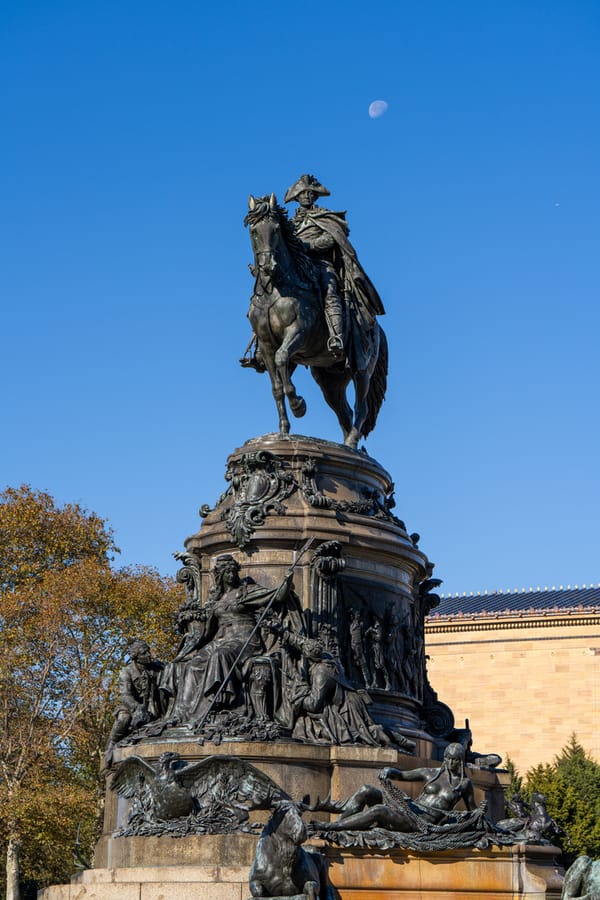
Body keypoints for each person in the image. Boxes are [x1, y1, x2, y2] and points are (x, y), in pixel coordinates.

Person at [161, 555, 291, 727]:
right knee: (193, 664)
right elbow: (207, 633)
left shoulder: (246, 591)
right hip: (221, 638)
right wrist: (186, 651)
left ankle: (217, 704)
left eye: (232, 571)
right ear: (220, 575)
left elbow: (277, 596)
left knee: (219, 656)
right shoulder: (217, 600)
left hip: (244, 638)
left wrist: (287, 580)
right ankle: (183, 714)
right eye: (226, 572)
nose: (230, 575)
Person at [283, 174, 385, 364]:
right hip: (297, 266)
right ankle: (260, 344)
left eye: (309, 192)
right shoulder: (289, 225)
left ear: (315, 196)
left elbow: (332, 238)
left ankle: (336, 336)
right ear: (296, 197)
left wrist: (308, 245)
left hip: (320, 264)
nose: (306, 195)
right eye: (302, 193)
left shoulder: (326, 217)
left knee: (330, 290)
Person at [317, 743, 480, 832]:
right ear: (444, 758)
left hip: (419, 823)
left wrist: (481, 816)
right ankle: (340, 825)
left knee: (379, 811)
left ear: (462, 761)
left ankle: (331, 827)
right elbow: (401, 775)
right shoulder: (429, 773)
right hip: (408, 808)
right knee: (366, 790)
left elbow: (474, 812)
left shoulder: (464, 784)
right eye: (449, 758)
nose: (452, 763)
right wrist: (389, 771)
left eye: (456, 760)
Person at [104, 640, 165, 767]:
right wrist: (137, 707)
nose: (149, 655)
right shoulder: (126, 672)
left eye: (149, 651)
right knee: (123, 719)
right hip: (131, 706)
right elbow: (126, 696)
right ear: (136, 657)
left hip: (152, 706)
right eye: (144, 653)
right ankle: (111, 745)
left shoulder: (156, 668)